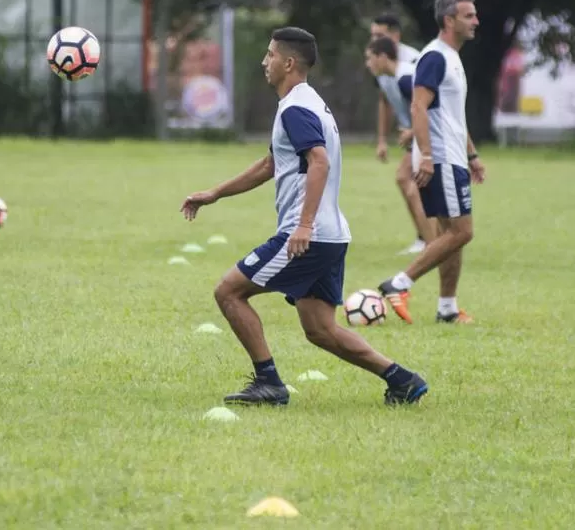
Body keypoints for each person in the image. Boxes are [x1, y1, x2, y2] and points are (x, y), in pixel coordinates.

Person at [181, 27, 428, 407]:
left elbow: (319, 161)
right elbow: (270, 164)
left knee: (228, 291)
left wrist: (304, 224)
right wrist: (215, 193)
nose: (265, 62)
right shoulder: (307, 103)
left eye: (270, 55)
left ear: (288, 62)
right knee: (320, 330)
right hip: (331, 236)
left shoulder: (297, 108)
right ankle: (402, 380)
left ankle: (269, 383)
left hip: (309, 236)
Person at [378, 0, 486, 324]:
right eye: (468, 16)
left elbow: (452, 115)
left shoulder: (452, 57)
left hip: (453, 157)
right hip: (439, 159)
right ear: (448, 20)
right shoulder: (434, 57)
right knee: (461, 232)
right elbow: (417, 107)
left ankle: (447, 309)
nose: (476, 21)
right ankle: (399, 284)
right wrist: (425, 156)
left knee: (449, 234)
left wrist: (472, 155)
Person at [364, 36, 436, 266]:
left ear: (383, 57)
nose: (368, 64)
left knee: (413, 184)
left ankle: (432, 244)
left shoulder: (405, 79)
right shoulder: (397, 77)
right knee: (407, 180)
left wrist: (413, 132)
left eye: (370, 58)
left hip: (430, 139)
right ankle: (430, 242)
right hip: (423, 139)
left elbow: (428, 111)